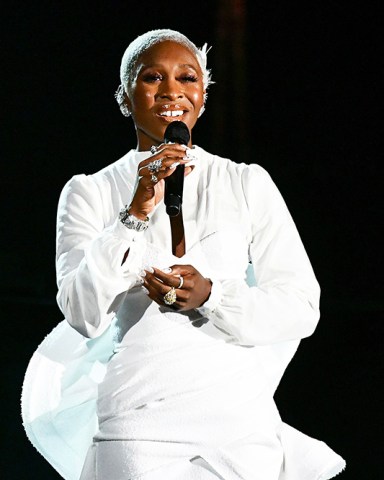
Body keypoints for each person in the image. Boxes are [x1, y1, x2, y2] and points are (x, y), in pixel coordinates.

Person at [22, 29, 346, 480]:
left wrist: (212, 294)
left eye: (187, 78)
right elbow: (81, 312)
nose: (172, 90)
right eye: (153, 77)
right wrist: (133, 213)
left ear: (203, 96)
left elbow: (300, 307)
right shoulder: (89, 191)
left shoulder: (246, 182)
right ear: (124, 97)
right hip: (137, 422)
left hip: (240, 423)